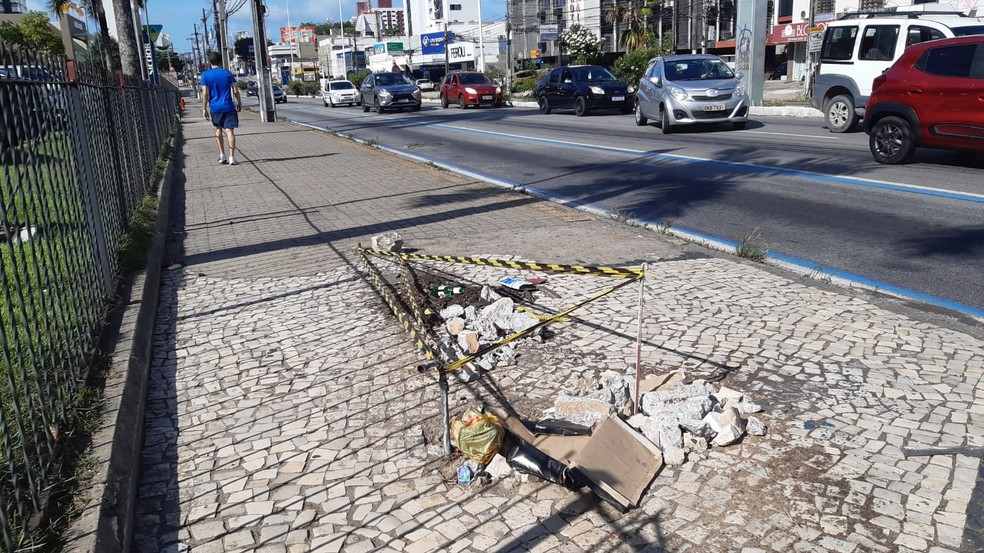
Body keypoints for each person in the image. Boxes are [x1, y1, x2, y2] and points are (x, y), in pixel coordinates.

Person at [200, 52, 242, 165]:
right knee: (230, 131)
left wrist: (204, 109)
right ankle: (232, 157)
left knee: (218, 130)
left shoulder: (205, 75)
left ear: (209, 62)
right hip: (228, 106)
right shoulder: (227, 73)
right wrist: (239, 102)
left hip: (215, 107)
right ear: (220, 61)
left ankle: (222, 155)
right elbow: (235, 90)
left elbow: (205, 94)